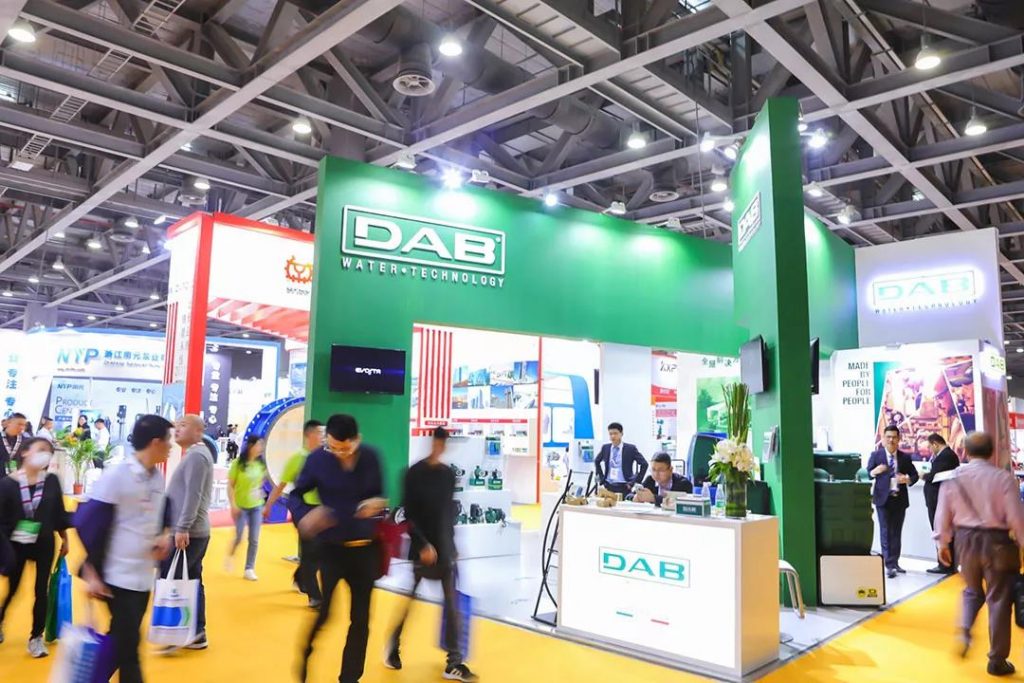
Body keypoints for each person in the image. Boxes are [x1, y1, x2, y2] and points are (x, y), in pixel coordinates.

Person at [75, 415, 174, 683]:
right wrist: (92, 572)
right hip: (116, 577)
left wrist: (163, 536)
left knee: (121, 640)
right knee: (130, 648)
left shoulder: (157, 478)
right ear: (155, 442)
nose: (171, 446)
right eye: (168, 441)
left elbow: (162, 513)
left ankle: (87, 678)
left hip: (143, 576)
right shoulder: (117, 476)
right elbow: (88, 522)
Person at [290, 414, 386, 683]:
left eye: (345, 448)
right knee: (325, 614)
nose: (339, 453)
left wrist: (377, 504)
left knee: (361, 620)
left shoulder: (371, 457)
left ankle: (350, 678)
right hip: (331, 549)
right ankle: (305, 656)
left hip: (364, 550)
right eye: (333, 447)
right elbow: (296, 495)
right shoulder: (318, 459)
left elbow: (381, 495)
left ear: (357, 440)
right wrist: (305, 517)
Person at [384, 427, 478, 682]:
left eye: (443, 444)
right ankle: (393, 644)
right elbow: (408, 514)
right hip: (422, 549)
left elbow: (447, 513)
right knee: (410, 599)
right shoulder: (414, 473)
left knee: (451, 603)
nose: (439, 447)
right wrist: (423, 544)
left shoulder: (448, 475)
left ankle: (454, 661)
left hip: (444, 548)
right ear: (432, 443)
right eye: (437, 443)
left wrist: (452, 546)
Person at [933, 431, 1024, 677]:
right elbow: (1017, 517)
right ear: (992, 452)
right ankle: (997, 660)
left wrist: (942, 543)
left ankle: (964, 629)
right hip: (998, 543)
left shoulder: (953, 478)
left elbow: (943, 513)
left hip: (965, 541)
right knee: (999, 599)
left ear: (965, 451)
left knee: (971, 591)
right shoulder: (1003, 479)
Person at [0, 438, 70, 656]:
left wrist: (65, 537)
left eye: (48, 451)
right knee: (13, 588)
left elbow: (58, 512)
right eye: (40, 449)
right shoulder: (7, 484)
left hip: (44, 542)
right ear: (24, 452)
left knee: (42, 590)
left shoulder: (51, 481)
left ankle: (36, 637)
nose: (45, 454)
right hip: (16, 544)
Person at [160, 414, 214, 650]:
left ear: (198, 431)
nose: (177, 429)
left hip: (190, 532)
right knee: (191, 580)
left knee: (173, 579)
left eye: (183, 425)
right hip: (192, 531)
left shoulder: (197, 456)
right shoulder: (195, 455)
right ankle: (195, 632)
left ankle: (175, 632)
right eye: (177, 425)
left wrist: (182, 527)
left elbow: (194, 495)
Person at [265, 419, 324, 608]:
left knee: (317, 551)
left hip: (320, 509)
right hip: (302, 508)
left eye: (323, 433)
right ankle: (315, 597)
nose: (322, 436)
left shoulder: (326, 458)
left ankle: (300, 576)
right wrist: (268, 506)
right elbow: (281, 485)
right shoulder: (297, 458)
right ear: (309, 435)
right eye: (319, 433)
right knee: (311, 549)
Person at [868, 424, 920, 579]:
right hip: (882, 500)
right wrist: (874, 471)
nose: (891, 440)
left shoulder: (904, 457)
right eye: (888, 437)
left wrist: (907, 479)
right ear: (883, 439)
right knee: (885, 531)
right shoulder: (876, 455)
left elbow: (915, 475)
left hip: (899, 499)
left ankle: (895, 562)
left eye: (894, 437)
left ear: (899, 439)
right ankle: (888, 564)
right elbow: (868, 473)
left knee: (896, 532)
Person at [226, 436, 273, 581]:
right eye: (258, 445)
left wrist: (262, 499)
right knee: (239, 536)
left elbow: (261, 483)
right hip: (241, 506)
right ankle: (231, 554)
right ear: (250, 446)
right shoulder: (238, 464)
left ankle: (249, 568)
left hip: (256, 506)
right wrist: (233, 504)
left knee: (254, 538)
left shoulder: (261, 464)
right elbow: (230, 486)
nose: (260, 448)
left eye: (262, 446)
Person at [923, 433, 960, 575]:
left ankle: (945, 564)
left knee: (941, 530)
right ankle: (946, 563)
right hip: (937, 500)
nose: (930, 450)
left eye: (930, 447)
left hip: (939, 501)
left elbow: (934, 476)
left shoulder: (946, 456)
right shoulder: (945, 456)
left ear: (935, 444)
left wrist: (923, 475)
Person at [594, 422, 647, 495]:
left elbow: (644, 464)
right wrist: (601, 478)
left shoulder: (630, 449)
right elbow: (597, 461)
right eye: (610, 434)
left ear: (621, 434)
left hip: (624, 486)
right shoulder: (605, 448)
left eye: (615, 433)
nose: (613, 436)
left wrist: (636, 481)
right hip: (608, 485)